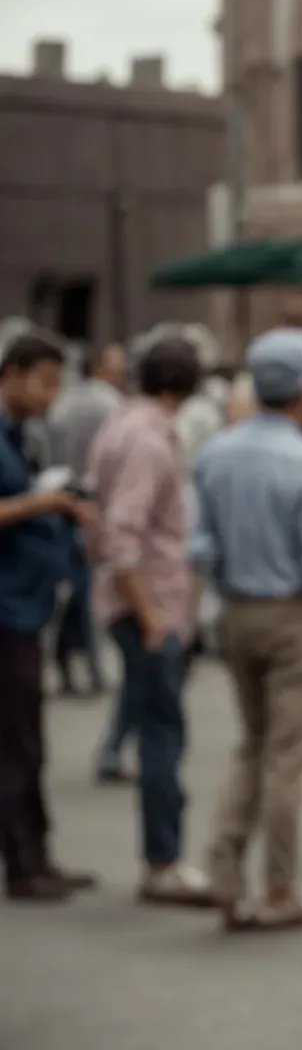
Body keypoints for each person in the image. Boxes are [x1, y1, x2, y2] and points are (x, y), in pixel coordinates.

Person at [190, 328, 302, 932]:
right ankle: (280, 887)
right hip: (293, 614)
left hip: (237, 608)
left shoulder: (215, 453)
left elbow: (201, 545)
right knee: (286, 756)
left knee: (251, 743)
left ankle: (223, 870)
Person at [86, 335, 216, 907]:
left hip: (136, 600)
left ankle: (163, 857)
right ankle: (163, 861)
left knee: (158, 727)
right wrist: (150, 615)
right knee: (163, 734)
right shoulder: (148, 441)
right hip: (150, 602)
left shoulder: (122, 424)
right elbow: (122, 533)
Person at [0, 332, 99, 901]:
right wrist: (44, 502)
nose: (50, 396)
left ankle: (35, 852)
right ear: (11, 374)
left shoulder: (21, 435)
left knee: (26, 738)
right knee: (18, 741)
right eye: (44, 382)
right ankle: (24, 861)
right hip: (7, 610)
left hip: (26, 601)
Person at [44, 341, 125, 696]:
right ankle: (93, 667)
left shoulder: (61, 405)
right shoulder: (111, 404)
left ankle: (65, 667)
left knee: (67, 596)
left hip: (62, 502)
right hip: (93, 505)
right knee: (89, 594)